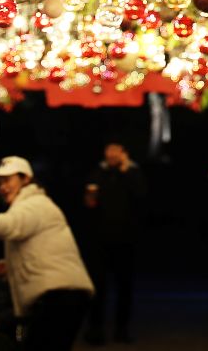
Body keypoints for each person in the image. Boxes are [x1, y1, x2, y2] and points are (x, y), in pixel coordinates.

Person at [0, 156, 94, 351]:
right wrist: (9, 265)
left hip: (60, 296)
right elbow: (36, 249)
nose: (2, 187)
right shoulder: (31, 205)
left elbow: (12, 225)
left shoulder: (35, 203)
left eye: (7, 180)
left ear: (26, 179)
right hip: (63, 296)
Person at [83, 141, 146, 344]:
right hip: (100, 240)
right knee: (98, 286)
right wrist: (90, 199)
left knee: (124, 286)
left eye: (115, 150)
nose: (111, 154)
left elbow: (141, 197)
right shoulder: (98, 172)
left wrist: (126, 172)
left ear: (124, 152)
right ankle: (95, 330)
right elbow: (88, 201)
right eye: (108, 149)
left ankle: (122, 330)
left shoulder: (134, 173)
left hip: (126, 240)